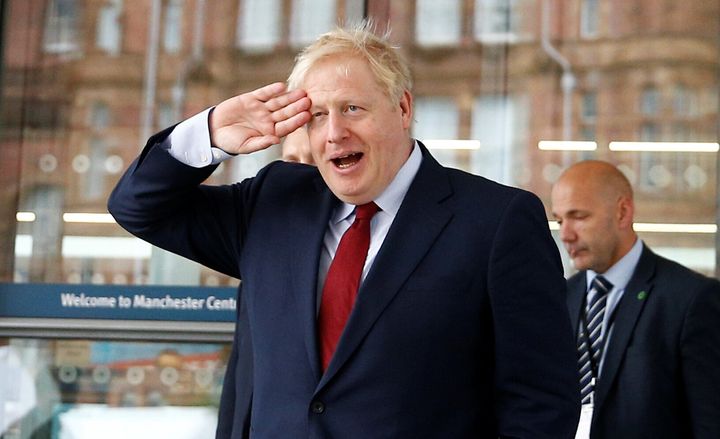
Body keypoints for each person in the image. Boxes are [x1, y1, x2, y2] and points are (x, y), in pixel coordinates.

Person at [109, 22, 580, 439]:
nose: (334, 133)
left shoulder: (497, 222)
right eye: (316, 115)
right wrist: (210, 133)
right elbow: (139, 208)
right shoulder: (274, 202)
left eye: (352, 108)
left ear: (403, 108)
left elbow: (540, 403)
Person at [550, 160, 720, 439]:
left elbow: (709, 422)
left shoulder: (690, 300)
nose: (566, 235)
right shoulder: (562, 297)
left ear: (622, 212)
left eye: (579, 216)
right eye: (559, 220)